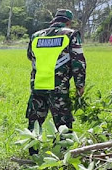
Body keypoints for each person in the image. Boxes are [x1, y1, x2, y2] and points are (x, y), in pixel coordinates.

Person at [25, 9, 86, 155]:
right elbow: (78, 62)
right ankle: (61, 153)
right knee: (63, 122)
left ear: (54, 20)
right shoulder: (71, 34)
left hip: (38, 85)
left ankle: (33, 152)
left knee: (35, 119)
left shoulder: (37, 36)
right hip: (58, 87)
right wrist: (80, 84)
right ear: (68, 22)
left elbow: (30, 56)